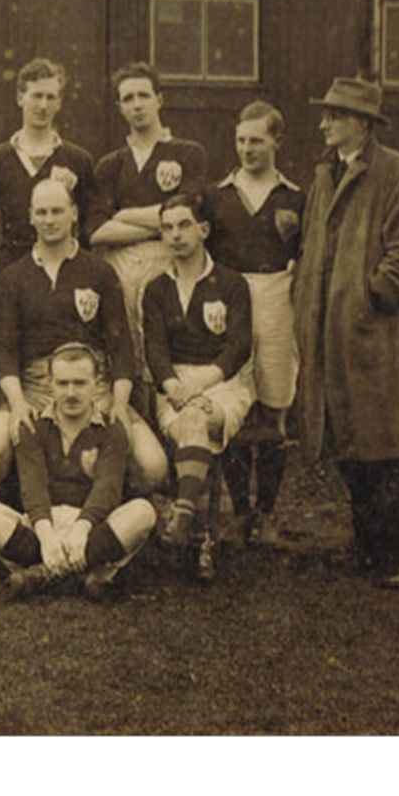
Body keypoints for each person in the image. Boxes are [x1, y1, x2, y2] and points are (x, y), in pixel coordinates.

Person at [292, 77, 399, 590]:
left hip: (377, 334)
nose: (324, 124)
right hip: (333, 335)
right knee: (350, 444)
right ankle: (367, 546)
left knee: (382, 445)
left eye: (333, 117)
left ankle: (394, 554)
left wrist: (372, 297)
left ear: (360, 123)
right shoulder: (327, 175)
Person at [0, 177, 167, 506]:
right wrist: (18, 403)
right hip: (36, 385)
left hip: (94, 383)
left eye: (58, 211)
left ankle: (107, 514)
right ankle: (28, 515)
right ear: (31, 216)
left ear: (74, 214)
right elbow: (2, 350)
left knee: (153, 466)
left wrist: (119, 403)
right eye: (42, 212)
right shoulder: (12, 277)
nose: (50, 220)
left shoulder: (99, 272)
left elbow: (121, 346)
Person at [0, 343, 157, 601]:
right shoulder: (31, 425)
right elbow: (33, 487)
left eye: (80, 383)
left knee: (143, 513)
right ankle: (87, 574)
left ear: (96, 383)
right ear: (50, 383)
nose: (70, 393)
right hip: (43, 524)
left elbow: (108, 487)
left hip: (93, 525)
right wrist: (46, 536)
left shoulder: (112, 427)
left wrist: (82, 529)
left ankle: (43, 574)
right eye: (63, 383)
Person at [142, 192, 255, 582]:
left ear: (203, 230)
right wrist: (174, 386)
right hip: (174, 386)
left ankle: (183, 515)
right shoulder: (156, 289)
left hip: (223, 384)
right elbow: (154, 349)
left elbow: (239, 346)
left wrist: (203, 383)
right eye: (167, 228)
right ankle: (201, 535)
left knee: (196, 419)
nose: (176, 235)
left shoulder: (231, 283)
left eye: (184, 225)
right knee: (192, 421)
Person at [207, 101, 304, 545]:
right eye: (241, 140)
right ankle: (238, 511)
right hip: (229, 302)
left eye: (257, 141)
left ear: (276, 142)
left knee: (274, 405)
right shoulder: (218, 195)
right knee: (233, 403)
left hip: (277, 299)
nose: (247, 149)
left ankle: (265, 513)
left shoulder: (295, 197)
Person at [90, 62, 207, 372]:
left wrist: (125, 215)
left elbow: (188, 209)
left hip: (172, 259)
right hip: (122, 265)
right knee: (127, 340)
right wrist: (159, 223)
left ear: (159, 100)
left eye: (143, 95)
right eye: (128, 99)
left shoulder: (187, 153)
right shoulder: (110, 165)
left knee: (170, 340)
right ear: (119, 107)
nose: (137, 105)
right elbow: (97, 231)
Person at [0, 57, 95, 279]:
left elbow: (87, 224)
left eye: (51, 97)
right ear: (20, 98)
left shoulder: (78, 160)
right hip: (10, 266)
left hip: (62, 267)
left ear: (59, 103)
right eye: (37, 96)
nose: (43, 105)